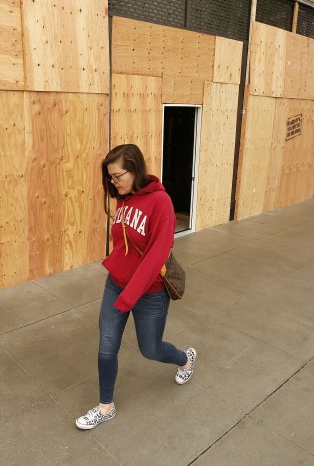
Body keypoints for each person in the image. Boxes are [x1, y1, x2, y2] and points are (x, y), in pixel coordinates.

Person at [75, 143, 195, 430]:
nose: (113, 183)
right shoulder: (123, 198)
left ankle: (185, 359)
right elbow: (123, 243)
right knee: (107, 347)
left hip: (149, 293)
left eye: (117, 176)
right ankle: (106, 407)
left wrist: (129, 297)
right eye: (110, 179)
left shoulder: (160, 203)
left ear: (135, 170)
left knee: (150, 350)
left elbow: (155, 256)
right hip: (116, 286)